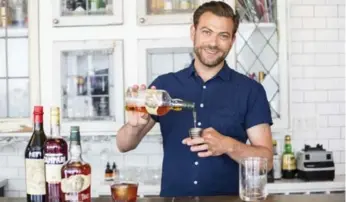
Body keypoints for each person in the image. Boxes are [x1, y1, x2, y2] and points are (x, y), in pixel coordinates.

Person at [116, 1, 273, 197]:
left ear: (232, 41)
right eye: (206, 32)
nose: (213, 43)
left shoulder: (251, 91)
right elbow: (123, 145)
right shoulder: (165, 86)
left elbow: (266, 162)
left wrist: (227, 145)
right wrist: (134, 126)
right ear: (193, 32)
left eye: (223, 36)